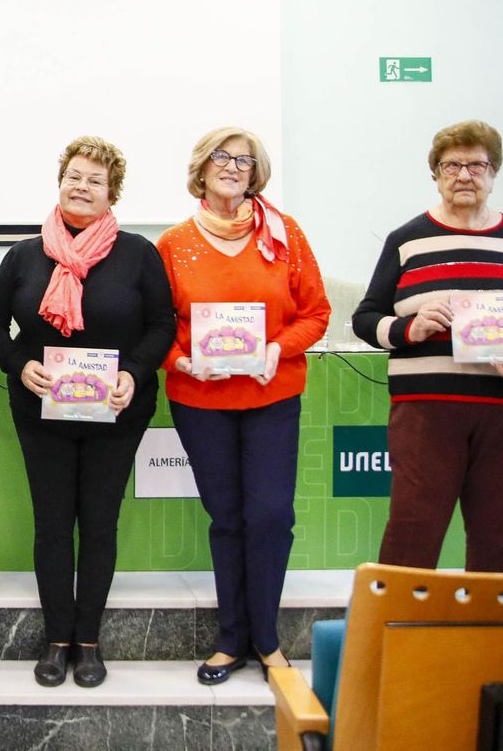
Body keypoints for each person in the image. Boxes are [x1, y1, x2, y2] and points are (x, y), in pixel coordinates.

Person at [0, 136, 174, 687]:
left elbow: (162, 324)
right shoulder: (23, 255)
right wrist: (20, 365)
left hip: (116, 412)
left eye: (95, 180)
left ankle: (87, 641)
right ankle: (56, 640)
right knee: (52, 524)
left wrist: (134, 372)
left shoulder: (138, 254)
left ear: (112, 193)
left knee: (99, 522)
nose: (82, 187)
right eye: (74, 177)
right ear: (59, 182)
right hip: (42, 410)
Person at [353, 119, 503, 573]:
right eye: (451, 165)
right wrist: (409, 329)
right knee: (412, 531)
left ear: (493, 174)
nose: (463, 175)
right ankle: (402, 618)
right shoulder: (406, 240)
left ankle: (487, 619)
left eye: (476, 166)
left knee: (499, 534)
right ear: (435, 174)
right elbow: (366, 318)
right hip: (426, 409)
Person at [157, 127, 329, 685]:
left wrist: (278, 349)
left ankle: (267, 639)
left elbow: (316, 313)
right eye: (221, 157)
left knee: (271, 516)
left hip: (271, 395)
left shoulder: (284, 234)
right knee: (227, 519)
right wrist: (183, 361)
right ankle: (231, 639)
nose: (232, 166)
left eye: (244, 160)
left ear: (256, 172)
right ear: (201, 168)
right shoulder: (173, 243)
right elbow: (156, 325)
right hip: (200, 400)